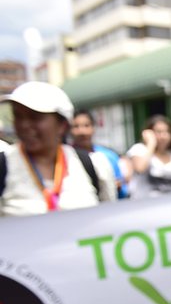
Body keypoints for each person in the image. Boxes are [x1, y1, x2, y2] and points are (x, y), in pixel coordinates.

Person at [0, 81, 117, 217]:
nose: (24, 125)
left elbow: (109, 221)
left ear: (62, 125)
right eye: (18, 116)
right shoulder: (4, 166)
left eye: (35, 117)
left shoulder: (93, 165)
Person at [71, 109, 130, 200]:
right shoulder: (67, 157)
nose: (82, 131)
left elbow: (122, 187)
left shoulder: (108, 156)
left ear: (93, 128)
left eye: (86, 125)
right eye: (76, 126)